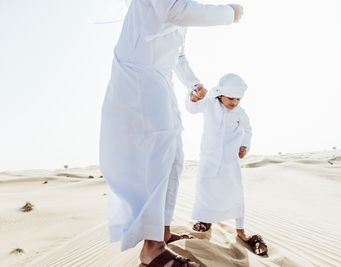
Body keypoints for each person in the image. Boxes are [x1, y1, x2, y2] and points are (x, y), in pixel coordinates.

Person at [99, 0, 244, 266]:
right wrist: (228, 13)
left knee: (174, 156)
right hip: (138, 76)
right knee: (157, 157)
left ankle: (161, 233)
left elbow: (177, 53)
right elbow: (172, 11)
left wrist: (194, 83)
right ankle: (151, 248)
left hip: (160, 79)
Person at [186, 73, 268, 256]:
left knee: (235, 193)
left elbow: (248, 130)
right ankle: (205, 220)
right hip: (208, 158)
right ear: (221, 94)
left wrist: (244, 144)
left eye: (238, 99)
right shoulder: (210, 103)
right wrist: (192, 99)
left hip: (229, 161)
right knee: (205, 189)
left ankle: (240, 230)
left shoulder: (240, 113)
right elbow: (192, 108)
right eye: (231, 98)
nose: (234, 102)